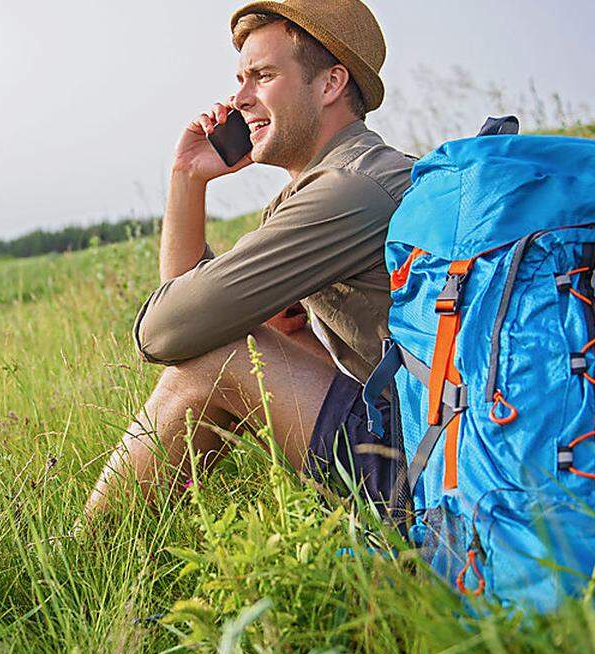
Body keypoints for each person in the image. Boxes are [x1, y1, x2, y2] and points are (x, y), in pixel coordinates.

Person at [84, 0, 413, 519]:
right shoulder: (334, 181)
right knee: (270, 331)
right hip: (413, 439)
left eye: (262, 76)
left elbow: (170, 332)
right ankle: (112, 552)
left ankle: (86, 557)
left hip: (421, 474)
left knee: (220, 356)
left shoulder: (351, 190)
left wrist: (211, 327)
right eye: (240, 78)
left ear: (329, 85)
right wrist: (188, 177)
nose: (238, 100)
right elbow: (192, 311)